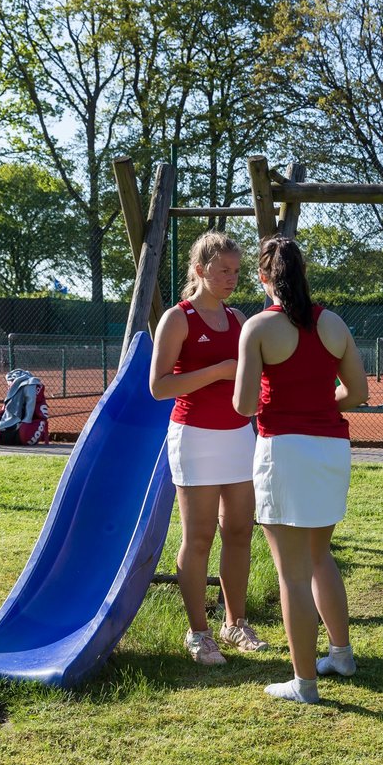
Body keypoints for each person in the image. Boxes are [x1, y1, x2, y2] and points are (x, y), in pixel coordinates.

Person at [233, 236, 368, 704]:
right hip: (331, 449)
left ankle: (304, 683)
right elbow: (357, 393)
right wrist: (316, 402)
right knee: (319, 557)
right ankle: (342, 656)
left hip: (283, 451)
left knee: (291, 573)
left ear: (264, 277)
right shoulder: (333, 322)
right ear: (303, 272)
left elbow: (244, 404)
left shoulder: (258, 328)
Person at [150, 231, 268, 665]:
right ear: (199, 270)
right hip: (194, 437)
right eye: (223, 271)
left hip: (239, 436)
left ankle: (234, 622)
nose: (232, 278)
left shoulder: (239, 319)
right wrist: (219, 370)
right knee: (198, 537)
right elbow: (159, 386)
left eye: (236, 271)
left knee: (238, 531)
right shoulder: (177, 318)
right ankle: (199, 633)